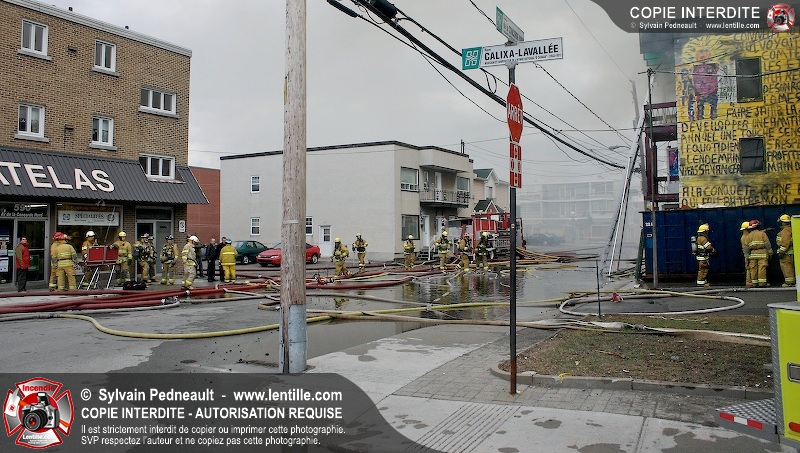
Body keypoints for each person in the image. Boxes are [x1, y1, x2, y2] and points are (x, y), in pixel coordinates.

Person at [744, 220, 773, 288]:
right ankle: (762, 283)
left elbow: (746, 248)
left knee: (753, 268)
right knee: (762, 268)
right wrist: (770, 253)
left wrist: (747, 256)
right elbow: (767, 244)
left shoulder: (748, 236)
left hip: (753, 254)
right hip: (762, 253)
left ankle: (754, 283)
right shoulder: (762, 234)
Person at [776, 214, 795, 287]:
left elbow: (785, 243)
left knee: (787, 267)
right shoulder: (792, 229)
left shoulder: (785, 231)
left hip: (786, 254)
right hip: (791, 253)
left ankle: (789, 282)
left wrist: (781, 252)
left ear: (783, 222)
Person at [739, 221, 752, 287]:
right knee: (749, 268)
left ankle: (749, 281)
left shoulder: (745, 236)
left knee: (749, 268)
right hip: (748, 255)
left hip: (747, 255)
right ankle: (749, 281)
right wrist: (747, 257)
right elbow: (746, 248)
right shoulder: (745, 237)